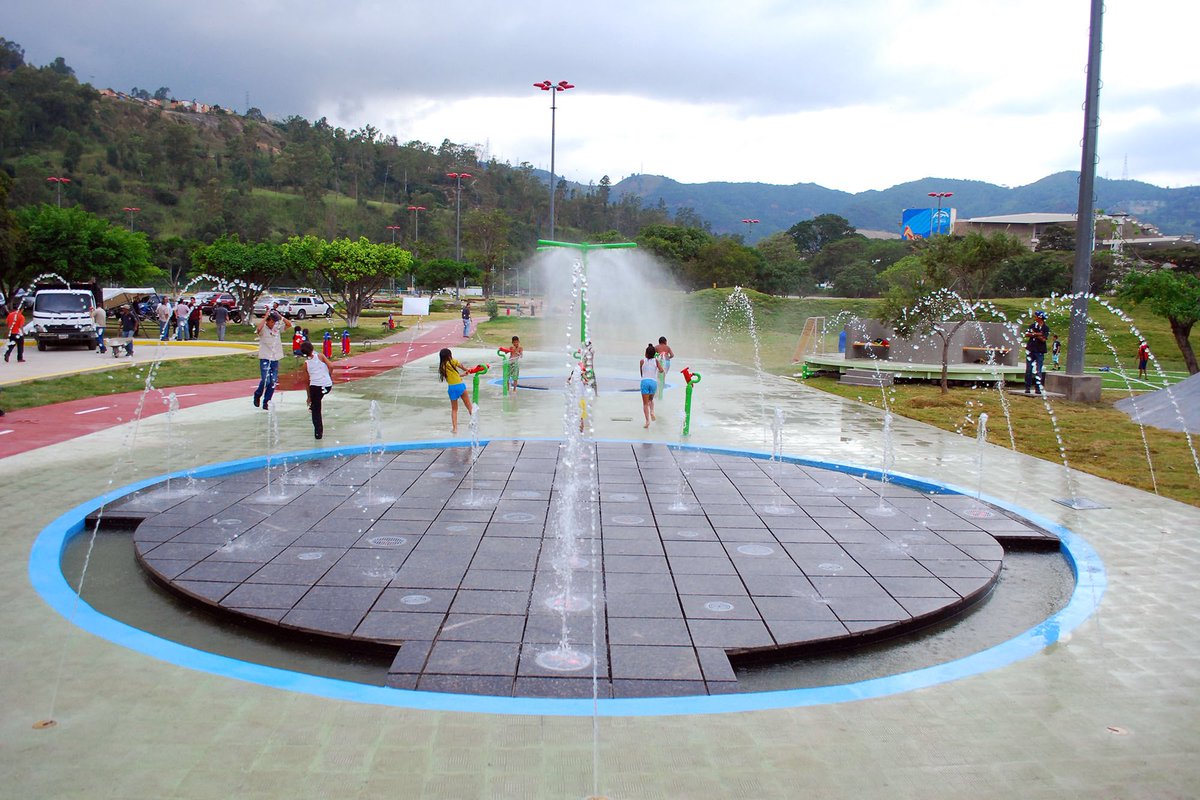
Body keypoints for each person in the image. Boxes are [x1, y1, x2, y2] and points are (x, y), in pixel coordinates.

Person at [252, 310, 293, 411]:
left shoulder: (276, 328)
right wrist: (265, 317)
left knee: (273, 381)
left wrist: (280, 317)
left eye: (275, 321)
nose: (273, 323)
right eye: (271, 321)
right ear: (267, 321)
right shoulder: (263, 329)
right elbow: (258, 329)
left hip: (275, 358)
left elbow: (289, 324)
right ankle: (257, 394)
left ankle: (266, 401)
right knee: (266, 380)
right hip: (265, 357)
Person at [301, 340, 335, 440]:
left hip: (315, 386)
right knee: (318, 398)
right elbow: (331, 366)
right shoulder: (320, 356)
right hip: (327, 385)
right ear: (312, 348)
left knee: (316, 409)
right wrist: (329, 376)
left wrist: (309, 397)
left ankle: (318, 433)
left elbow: (306, 381)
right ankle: (314, 404)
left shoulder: (306, 364)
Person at [438, 347, 474, 434]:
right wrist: (468, 370)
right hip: (460, 386)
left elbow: (451, 378)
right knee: (469, 406)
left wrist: (462, 375)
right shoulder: (453, 361)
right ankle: (474, 423)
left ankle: (455, 429)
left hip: (451, 388)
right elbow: (463, 367)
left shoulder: (442, 367)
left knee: (454, 409)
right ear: (449, 355)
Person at [1023, 310, 1051, 394]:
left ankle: (1038, 388)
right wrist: (1037, 334)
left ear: (1040, 318)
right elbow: (1027, 334)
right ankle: (1027, 387)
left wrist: (1035, 334)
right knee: (1029, 370)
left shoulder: (1046, 328)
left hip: (1039, 351)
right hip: (1030, 350)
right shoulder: (1032, 325)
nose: (1034, 318)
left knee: (1038, 370)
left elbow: (1043, 339)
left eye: (1036, 316)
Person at [639, 343, 664, 428]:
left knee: (645, 404)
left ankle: (647, 421)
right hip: (653, 382)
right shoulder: (656, 361)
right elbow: (661, 370)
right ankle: (652, 411)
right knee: (651, 400)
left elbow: (641, 373)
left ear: (645, 353)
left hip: (644, 382)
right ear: (654, 354)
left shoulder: (642, 361)